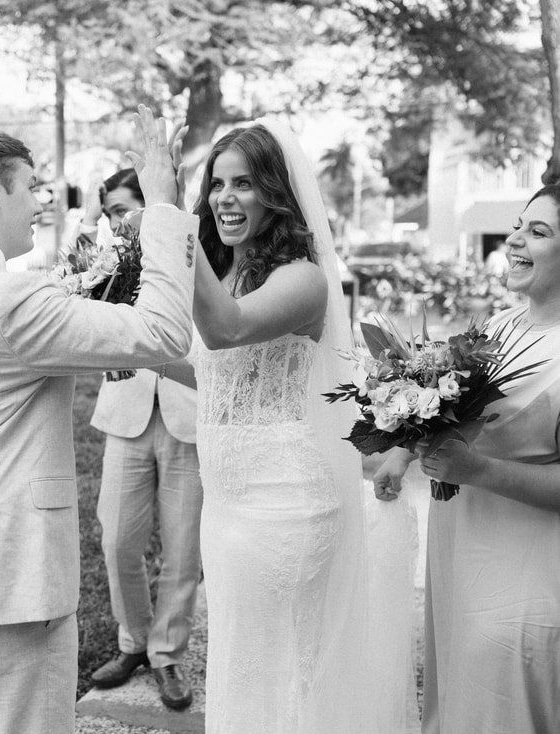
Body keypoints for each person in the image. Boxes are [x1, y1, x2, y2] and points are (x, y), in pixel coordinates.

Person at [0, 109, 196, 734]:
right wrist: (161, 202)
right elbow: (161, 332)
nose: (40, 204)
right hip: (7, 585)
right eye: (31, 187)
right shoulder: (10, 298)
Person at [137, 120, 414, 733]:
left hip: (283, 505)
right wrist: (128, 344)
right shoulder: (228, 274)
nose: (224, 199)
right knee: (245, 659)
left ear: (275, 194)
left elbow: (227, 330)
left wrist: (163, 207)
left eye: (243, 184)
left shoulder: (303, 278)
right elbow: (220, 377)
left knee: (276, 667)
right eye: (215, 184)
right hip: (229, 504)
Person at [374, 184, 560, 734]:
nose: (517, 239)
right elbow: (447, 407)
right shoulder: (498, 327)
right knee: (456, 699)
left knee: (501, 706)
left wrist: (479, 471)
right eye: (521, 225)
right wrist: (402, 453)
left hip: (526, 572)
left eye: (540, 231)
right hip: (461, 551)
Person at [81, 169, 203, 710]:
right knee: (118, 540)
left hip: (188, 413)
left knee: (181, 546)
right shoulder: (101, 264)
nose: (117, 220)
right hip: (125, 415)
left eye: (126, 209)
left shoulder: (194, 248)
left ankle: (166, 653)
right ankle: (132, 641)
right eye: (110, 212)